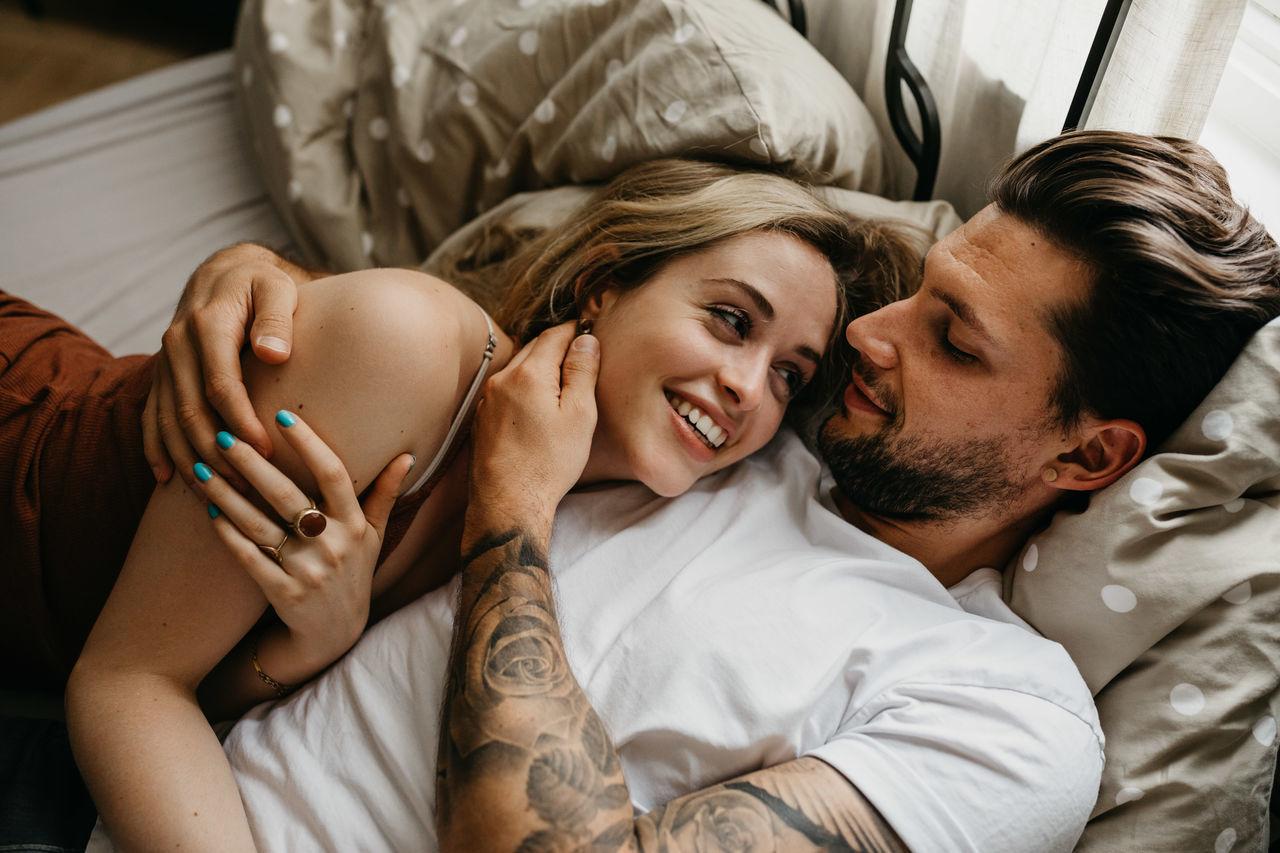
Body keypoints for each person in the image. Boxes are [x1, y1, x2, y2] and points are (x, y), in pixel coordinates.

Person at [108, 130, 1278, 852]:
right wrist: (263, 283)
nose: (869, 337)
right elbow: (483, 338)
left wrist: (511, 517)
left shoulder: (1003, 716)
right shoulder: (739, 425)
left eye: (952, 341)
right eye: (914, 291)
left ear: (1086, 458)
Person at [0, 160, 916, 848]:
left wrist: (307, 647)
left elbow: (188, 676)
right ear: (604, 285)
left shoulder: (596, 523)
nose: (749, 386)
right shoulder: (411, 351)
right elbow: (126, 682)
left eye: (791, 374)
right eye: (730, 319)